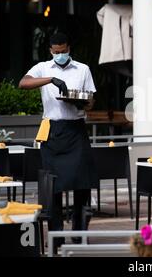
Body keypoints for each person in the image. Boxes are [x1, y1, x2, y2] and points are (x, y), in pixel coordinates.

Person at [19, 32, 98, 245]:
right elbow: (23, 83)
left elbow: (91, 100)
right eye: (57, 52)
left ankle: (79, 234)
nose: (60, 55)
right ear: (51, 51)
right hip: (52, 132)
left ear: (69, 48)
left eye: (64, 51)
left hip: (76, 130)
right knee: (53, 187)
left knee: (82, 185)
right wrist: (51, 80)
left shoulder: (83, 69)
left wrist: (81, 102)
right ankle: (56, 237)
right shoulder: (43, 67)